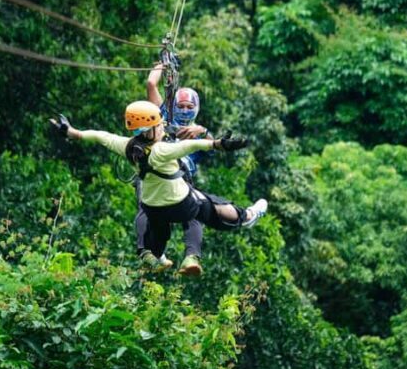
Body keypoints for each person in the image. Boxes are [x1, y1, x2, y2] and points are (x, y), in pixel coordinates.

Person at [50, 102, 267, 276]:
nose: (163, 126)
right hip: (180, 204)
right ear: (150, 129)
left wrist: (70, 132)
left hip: (152, 207)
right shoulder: (162, 150)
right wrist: (218, 143)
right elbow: (191, 145)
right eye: (160, 125)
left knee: (160, 228)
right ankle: (199, 252)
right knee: (202, 209)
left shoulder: (126, 146)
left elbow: (101, 136)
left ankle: (153, 257)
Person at [133, 63, 210, 273]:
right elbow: (151, 83)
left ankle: (190, 258)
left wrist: (201, 131)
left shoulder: (198, 132)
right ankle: (148, 253)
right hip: (153, 171)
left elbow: (214, 144)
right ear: (174, 105)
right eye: (181, 106)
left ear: (196, 109)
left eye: (189, 107)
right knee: (148, 210)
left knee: (192, 215)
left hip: (179, 176)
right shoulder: (163, 116)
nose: (184, 110)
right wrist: (162, 64)